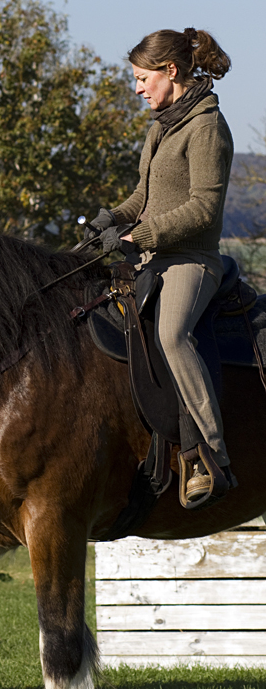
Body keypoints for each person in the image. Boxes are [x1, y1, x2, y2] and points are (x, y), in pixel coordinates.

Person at [88, 27, 235, 506]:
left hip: (192, 260)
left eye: (141, 78)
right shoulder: (159, 127)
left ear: (170, 71)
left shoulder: (207, 127)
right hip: (150, 259)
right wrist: (113, 217)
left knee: (172, 336)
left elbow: (203, 211)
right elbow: (143, 199)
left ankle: (210, 453)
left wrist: (139, 235)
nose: (137, 88)